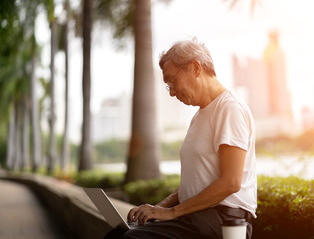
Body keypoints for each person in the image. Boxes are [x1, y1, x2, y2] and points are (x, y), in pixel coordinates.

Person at [105, 38, 257, 239]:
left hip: (224, 220)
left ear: (195, 68)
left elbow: (231, 182)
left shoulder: (230, 108)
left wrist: (171, 213)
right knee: (116, 235)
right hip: (196, 216)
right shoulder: (200, 116)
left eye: (172, 81)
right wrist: (156, 209)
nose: (172, 92)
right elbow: (193, 185)